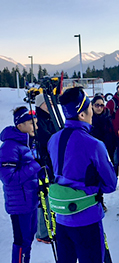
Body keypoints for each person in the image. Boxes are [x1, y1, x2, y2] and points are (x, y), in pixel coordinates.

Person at [47, 87, 117, 263]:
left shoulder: (53, 139)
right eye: (90, 108)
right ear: (82, 115)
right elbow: (111, 184)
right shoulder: (94, 144)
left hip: (61, 218)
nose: (93, 112)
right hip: (87, 218)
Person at [0, 106, 42, 263]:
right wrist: (35, 165)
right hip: (19, 205)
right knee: (21, 242)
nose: (36, 127)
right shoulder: (9, 147)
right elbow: (8, 179)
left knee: (28, 239)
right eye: (32, 123)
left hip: (30, 201)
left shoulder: (26, 143)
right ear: (20, 125)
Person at [34, 94, 57, 244]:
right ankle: (42, 232)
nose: (50, 105)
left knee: (51, 197)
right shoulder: (38, 122)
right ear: (40, 105)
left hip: (52, 164)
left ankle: (52, 226)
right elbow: (48, 139)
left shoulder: (50, 119)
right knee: (44, 199)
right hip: (44, 166)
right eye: (47, 103)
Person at [91, 94, 116, 212]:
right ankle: (97, 200)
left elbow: (110, 134)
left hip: (105, 150)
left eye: (101, 105)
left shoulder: (107, 117)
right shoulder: (89, 119)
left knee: (102, 176)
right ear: (92, 106)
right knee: (93, 177)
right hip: (91, 152)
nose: (99, 108)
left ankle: (100, 199)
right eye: (97, 105)